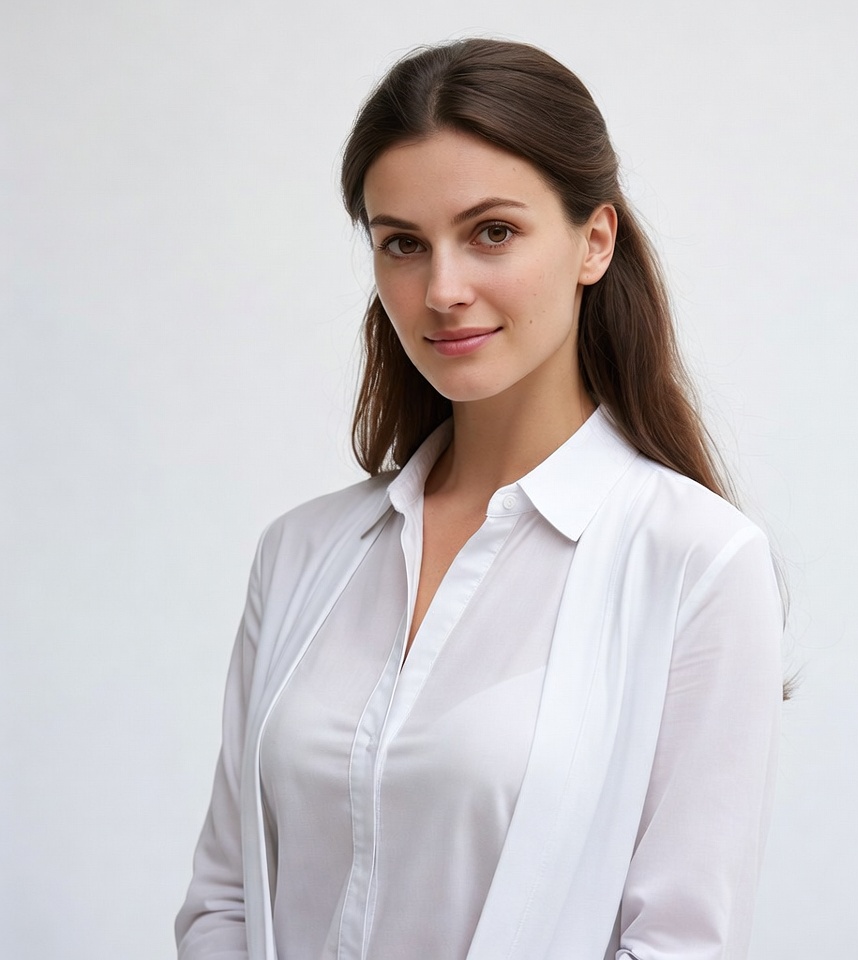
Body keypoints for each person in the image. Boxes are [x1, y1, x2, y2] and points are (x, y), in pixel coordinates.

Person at [175, 38, 784, 960]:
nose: (443, 290)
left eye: (492, 232)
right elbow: (224, 900)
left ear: (594, 240)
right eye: (403, 245)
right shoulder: (301, 553)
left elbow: (679, 944)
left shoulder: (697, 561)